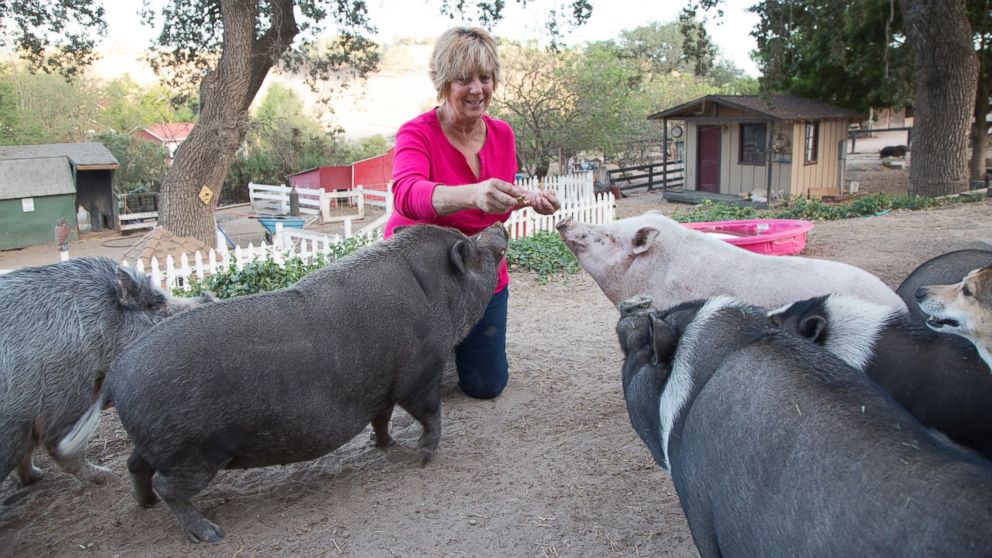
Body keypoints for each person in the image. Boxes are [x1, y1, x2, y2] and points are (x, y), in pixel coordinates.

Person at [386, 26, 560, 400]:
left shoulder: (503, 135)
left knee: (486, 386)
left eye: (485, 77)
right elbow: (406, 194)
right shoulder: (415, 133)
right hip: (421, 272)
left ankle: (454, 343)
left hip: (479, 270)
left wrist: (526, 199)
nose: (477, 89)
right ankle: (436, 345)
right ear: (443, 82)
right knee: (412, 389)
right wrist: (472, 194)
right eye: (463, 79)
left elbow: (495, 213)